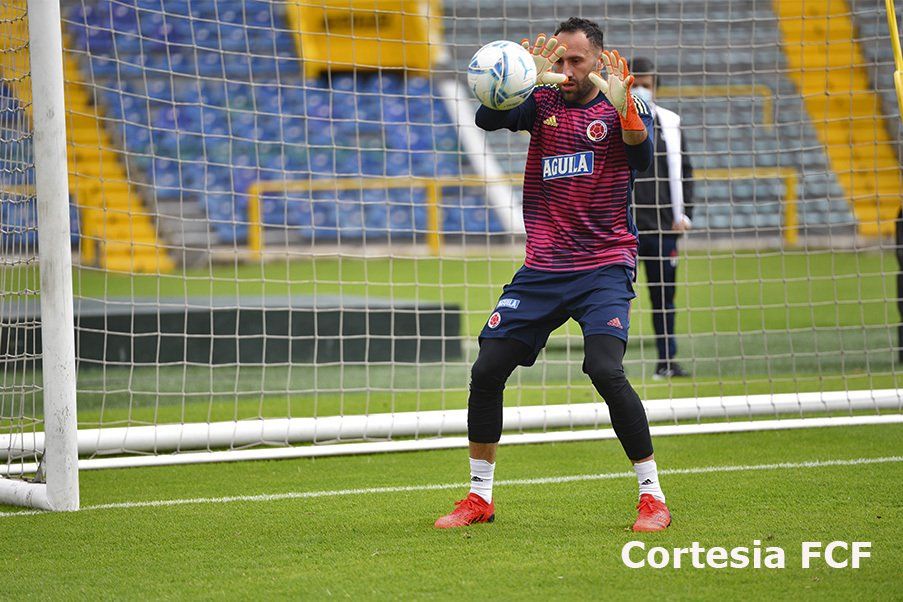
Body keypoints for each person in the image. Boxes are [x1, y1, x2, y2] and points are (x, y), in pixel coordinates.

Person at [435, 18, 671, 532]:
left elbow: (643, 156)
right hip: (543, 268)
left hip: (603, 265)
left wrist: (626, 108)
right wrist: (527, 79)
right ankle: (479, 497)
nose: (565, 70)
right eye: (559, 61)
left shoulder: (623, 103)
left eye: (575, 62)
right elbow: (484, 119)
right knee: (486, 370)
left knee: (605, 370)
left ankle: (652, 496)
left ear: (599, 61)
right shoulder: (541, 101)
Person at [630, 57, 695, 379]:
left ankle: (667, 362)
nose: (642, 88)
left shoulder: (670, 121)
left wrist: (685, 215)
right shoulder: (613, 119)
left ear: (655, 86)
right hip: (622, 230)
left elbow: (685, 171)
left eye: (647, 83)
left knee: (664, 298)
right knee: (612, 299)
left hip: (663, 228)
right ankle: (609, 366)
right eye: (636, 82)